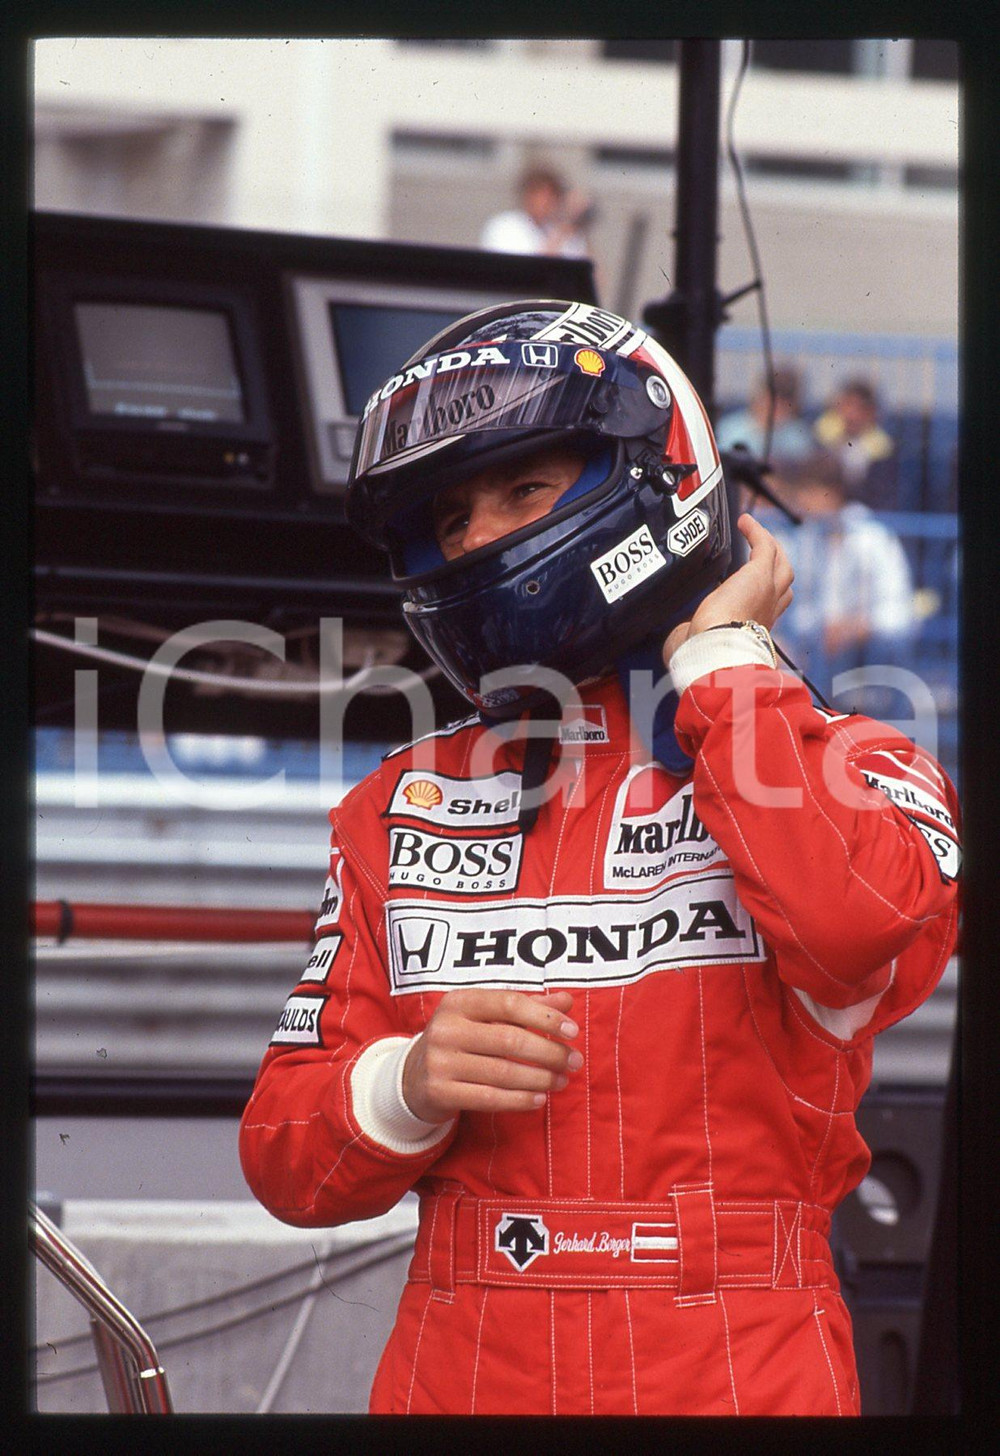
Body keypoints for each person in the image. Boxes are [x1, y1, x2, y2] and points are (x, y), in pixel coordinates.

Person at [239, 302, 960, 1416]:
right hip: (462, 1363)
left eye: (523, 490)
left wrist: (721, 662)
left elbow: (860, 929)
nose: (476, 537)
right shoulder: (397, 803)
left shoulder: (851, 761)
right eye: (451, 514)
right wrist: (409, 1081)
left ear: (650, 473)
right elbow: (287, 1158)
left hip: (735, 1358)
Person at [760, 449, 915, 714]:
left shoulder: (874, 539)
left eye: (810, 492)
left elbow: (899, 615)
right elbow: (792, 612)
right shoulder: (800, 538)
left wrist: (856, 628)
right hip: (810, 657)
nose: (802, 502)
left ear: (833, 492)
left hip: (866, 658)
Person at [813, 376, 899, 509]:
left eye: (860, 408)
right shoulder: (820, 438)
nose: (852, 415)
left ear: (872, 413)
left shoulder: (883, 449)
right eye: (847, 405)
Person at [480, 164, 593, 258]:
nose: (547, 202)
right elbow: (530, 270)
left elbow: (592, 277)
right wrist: (560, 233)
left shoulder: (562, 230)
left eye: (553, 195)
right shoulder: (505, 226)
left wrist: (579, 223)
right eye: (542, 195)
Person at [714, 364, 815, 463]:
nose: (777, 405)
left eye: (785, 399)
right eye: (772, 395)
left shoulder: (799, 437)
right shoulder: (728, 428)